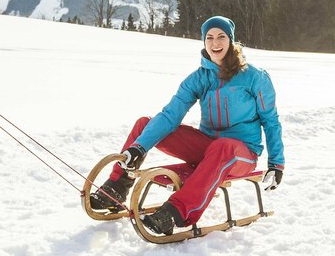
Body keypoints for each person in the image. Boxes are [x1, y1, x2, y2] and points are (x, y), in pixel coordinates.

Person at [87, 15, 285, 236]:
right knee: (146, 125)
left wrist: (276, 163)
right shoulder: (199, 79)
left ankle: (176, 212)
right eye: (209, 38)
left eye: (221, 37)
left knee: (224, 147)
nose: (215, 43)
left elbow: (271, 121)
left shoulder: (254, 77)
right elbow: (170, 115)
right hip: (208, 148)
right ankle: (116, 187)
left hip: (242, 153)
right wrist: (138, 147)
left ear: (231, 40)